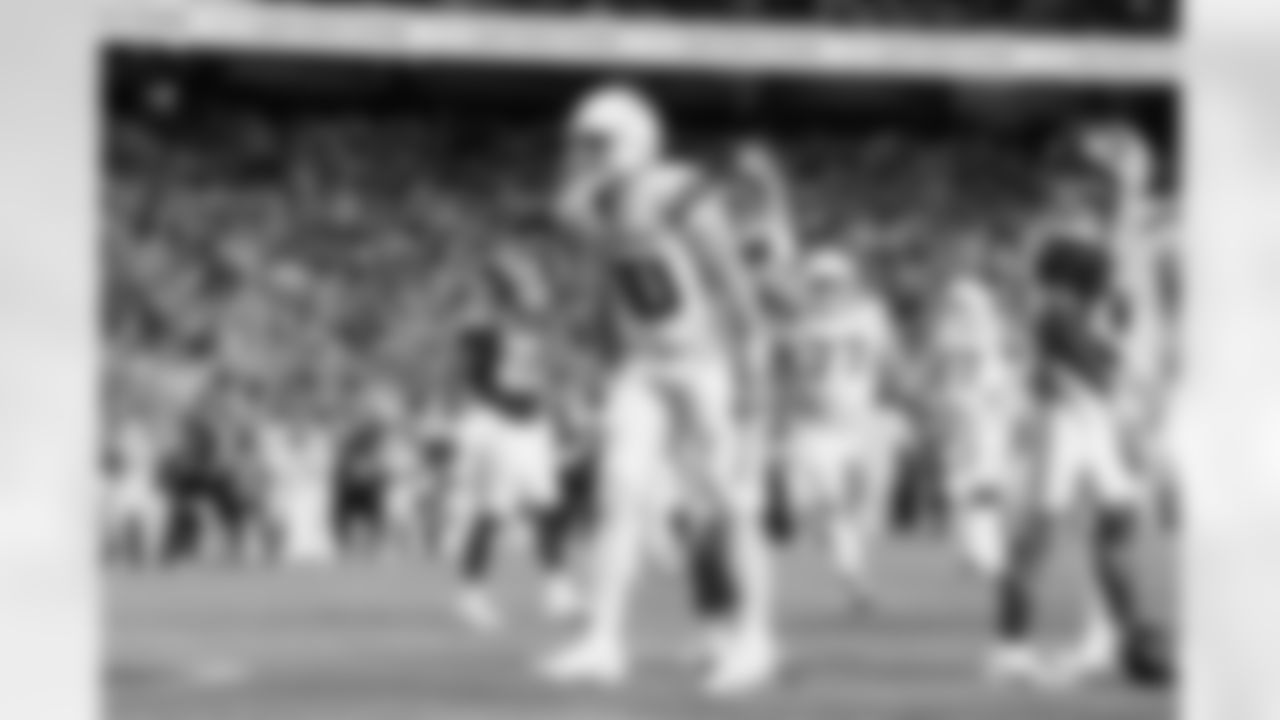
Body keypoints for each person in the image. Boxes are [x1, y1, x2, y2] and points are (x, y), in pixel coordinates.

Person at [538, 83, 778, 695]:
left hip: (706, 362)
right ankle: (603, 641)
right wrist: (593, 364)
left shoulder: (677, 191)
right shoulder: (592, 204)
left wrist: (753, 369)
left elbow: (730, 283)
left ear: (636, 139)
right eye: (581, 144)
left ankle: (754, 640)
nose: (585, 155)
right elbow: (603, 285)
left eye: (598, 143)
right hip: (642, 367)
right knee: (618, 496)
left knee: (732, 503)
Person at [775, 248, 904, 609]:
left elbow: (891, 362)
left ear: (848, 284)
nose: (826, 290)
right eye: (820, 283)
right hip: (815, 425)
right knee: (820, 506)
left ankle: (852, 569)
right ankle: (853, 575)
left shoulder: (868, 317)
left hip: (861, 420)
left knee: (860, 508)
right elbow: (786, 376)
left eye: (832, 283)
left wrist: (901, 401)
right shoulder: (800, 324)